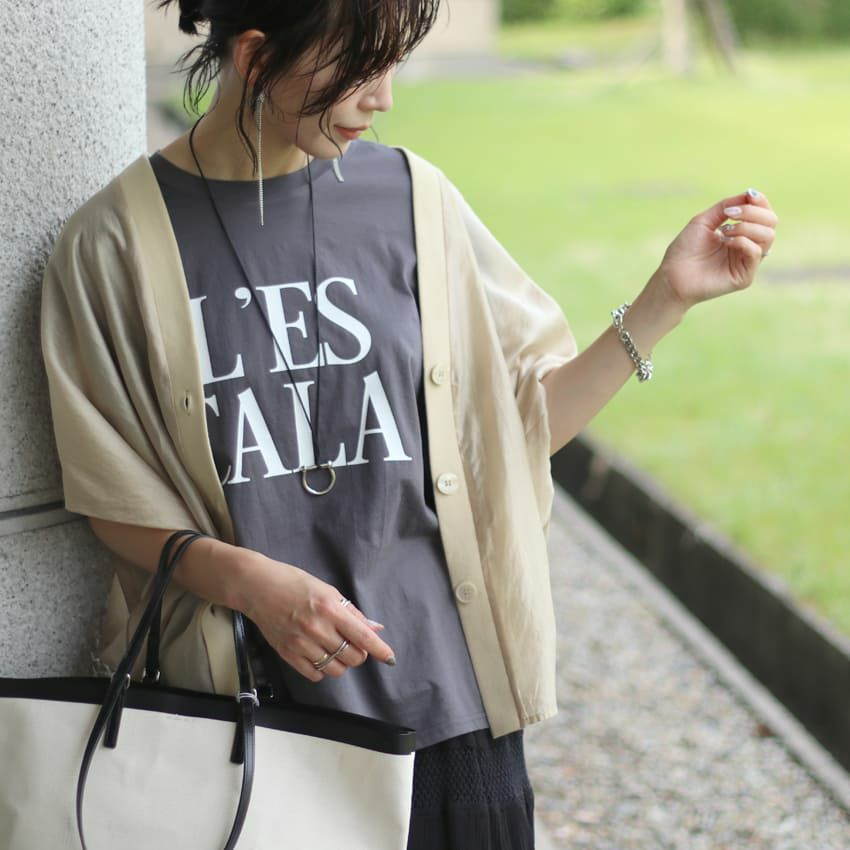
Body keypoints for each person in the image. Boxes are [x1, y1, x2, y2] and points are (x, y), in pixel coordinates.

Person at [39, 1, 777, 847]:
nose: (384, 96)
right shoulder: (114, 245)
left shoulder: (413, 200)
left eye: (393, 64)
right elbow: (111, 498)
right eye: (360, 68)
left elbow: (518, 433)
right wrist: (251, 585)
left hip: (449, 717)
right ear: (256, 57)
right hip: (245, 728)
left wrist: (665, 300)